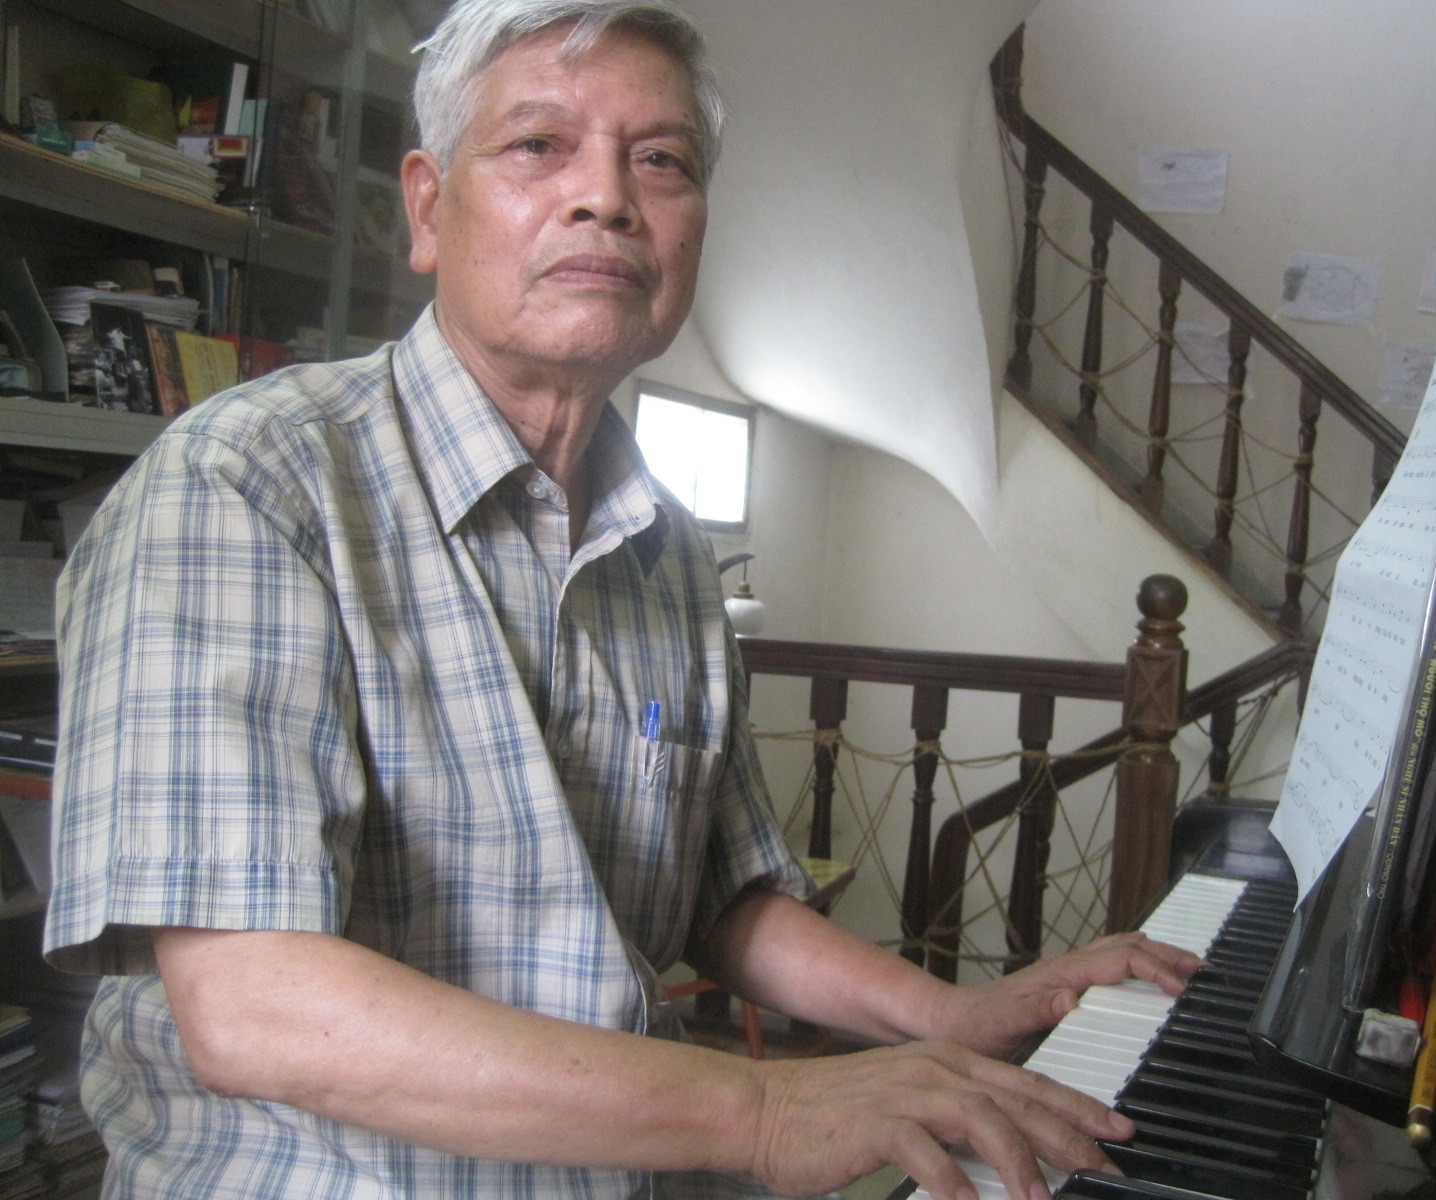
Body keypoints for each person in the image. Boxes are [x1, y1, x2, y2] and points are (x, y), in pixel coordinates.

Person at [44, 3, 1201, 1198]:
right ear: (429, 209)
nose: (606, 197)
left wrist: (947, 1017)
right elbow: (256, 1008)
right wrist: (761, 1109)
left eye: (660, 161)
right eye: (537, 145)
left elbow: (724, 904)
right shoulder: (246, 482)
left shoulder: (671, 556)